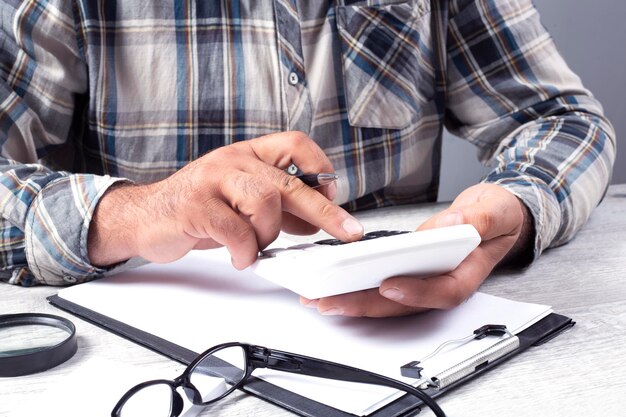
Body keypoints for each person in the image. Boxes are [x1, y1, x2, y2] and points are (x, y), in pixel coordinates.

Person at [0, 0, 615, 318]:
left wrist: (514, 206)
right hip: (161, 368)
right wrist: (139, 212)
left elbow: (561, 120)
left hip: (416, 347)